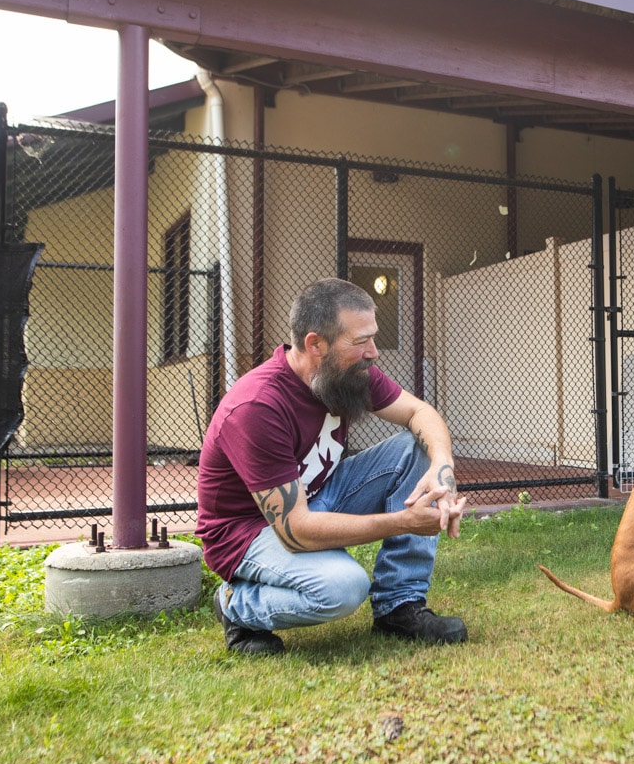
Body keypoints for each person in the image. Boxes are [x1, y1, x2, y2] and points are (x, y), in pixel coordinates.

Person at [197, 277, 468, 654]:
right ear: (315, 344)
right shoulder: (256, 406)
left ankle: (399, 607)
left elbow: (419, 412)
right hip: (251, 532)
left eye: (372, 338)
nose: (374, 352)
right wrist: (403, 522)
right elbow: (297, 531)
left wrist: (442, 468)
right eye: (360, 342)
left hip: (315, 496)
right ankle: (236, 605)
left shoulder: (346, 371)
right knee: (343, 588)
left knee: (415, 445)